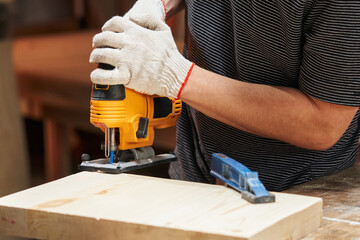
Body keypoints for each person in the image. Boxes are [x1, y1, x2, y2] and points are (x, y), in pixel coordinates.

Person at [89, 0, 360, 191]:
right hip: (195, 173)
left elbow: (323, 123)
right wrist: (157, 4)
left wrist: (175, 75)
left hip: (295, 193)